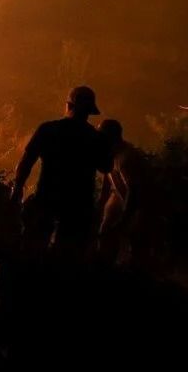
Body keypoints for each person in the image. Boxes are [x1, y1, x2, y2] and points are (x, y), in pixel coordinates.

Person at [11, 86, 113, 258]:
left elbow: (27, 161)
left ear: (69, 105)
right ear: (90, 111)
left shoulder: (48, 129)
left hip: (47, 197)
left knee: (33, 250)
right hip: (79, 204)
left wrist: (17, 188)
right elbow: (106, 167)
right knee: (67, 257)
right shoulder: (96, 138)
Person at [96, 119, 154, 267]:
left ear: (108, 137)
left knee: (136, 246)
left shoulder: (126, 158)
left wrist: (124, 218)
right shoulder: (112, 155)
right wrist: (100, 206)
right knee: (106, 237)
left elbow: (134, 190)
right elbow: (108, 182)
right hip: (119, 202)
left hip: (138, 206)